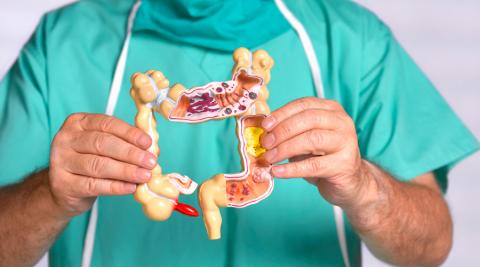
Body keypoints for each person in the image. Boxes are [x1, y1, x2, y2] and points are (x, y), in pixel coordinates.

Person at [0, 0, 478, 266]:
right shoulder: (63, 43)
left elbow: (430, 247)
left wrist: (364, 187)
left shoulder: (352, 41)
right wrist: (48, 194)